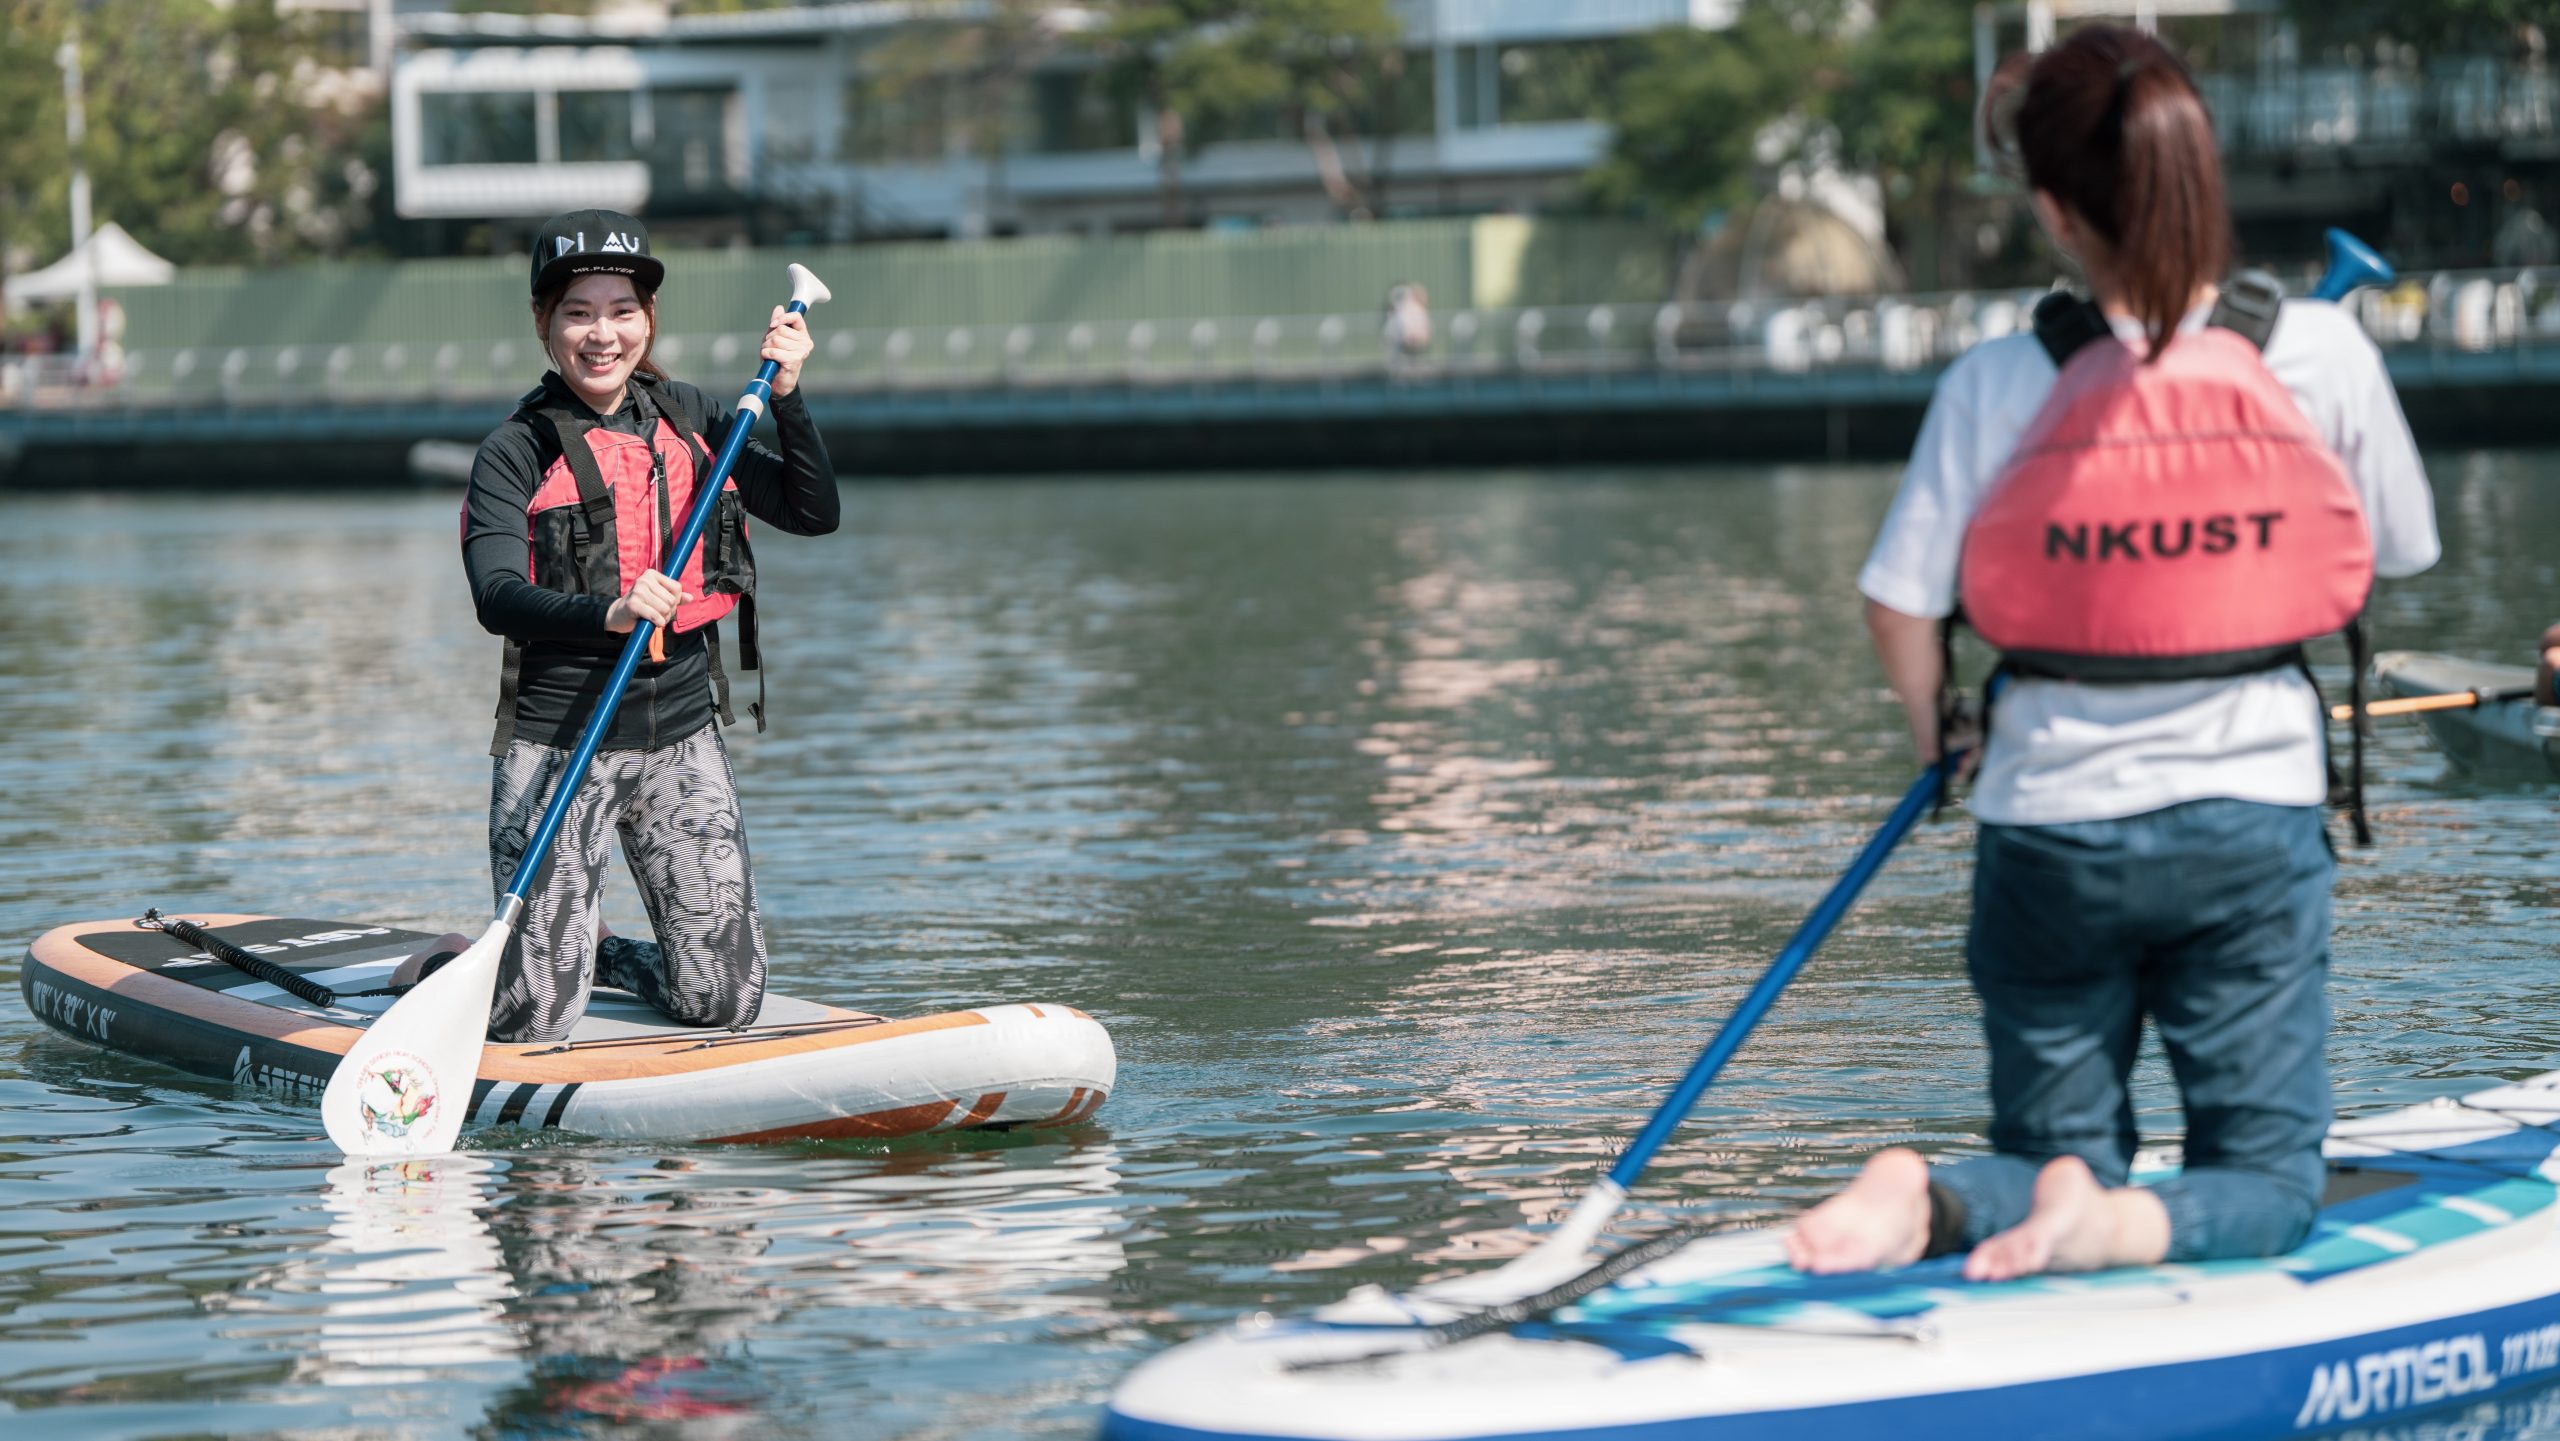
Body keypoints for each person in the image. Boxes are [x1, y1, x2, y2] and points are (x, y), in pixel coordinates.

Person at [1785, 25, 2439, 1282]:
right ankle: (2116, 1226)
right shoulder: (2320, 350)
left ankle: (1923, 1197)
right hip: (2247, 819)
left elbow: (1896, 605)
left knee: (2046, 1144)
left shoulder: (1993, 380)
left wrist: (1940, 734)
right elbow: (2397, 550)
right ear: (2201, 171)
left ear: (2050, 209)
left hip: (2046, 828)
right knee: (2260, 1176)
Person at [456, 209, 839, 1044]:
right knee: (536, 1020)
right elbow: (495, 594)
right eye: (579, 313)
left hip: (681, 733)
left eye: (622, 311)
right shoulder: (513, 450)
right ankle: (494, 974)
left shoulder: (697, 415)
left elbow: (814, 512)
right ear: (545, 324)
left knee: (726, 1001)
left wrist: (788, 397)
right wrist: (612, 610)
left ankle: (608, 955)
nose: (603, 334)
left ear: (648, 320)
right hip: (563, 740)